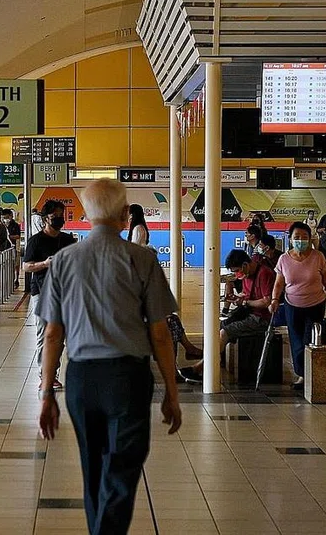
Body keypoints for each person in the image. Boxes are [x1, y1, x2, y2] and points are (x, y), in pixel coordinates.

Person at [37, 179, 181, 535]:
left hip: (81, 379)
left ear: (86, 215)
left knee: (93, 465)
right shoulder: (142, 259)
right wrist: (172, 394)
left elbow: (53, 333)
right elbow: (160, 333)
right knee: (124, 465)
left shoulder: (63, 260)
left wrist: (46, 393)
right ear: (123, 214)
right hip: (128, 378)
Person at [179, 249, 275, 383]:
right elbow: (246, 297)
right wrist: (237, 299)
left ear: (245, 265)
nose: (237, 274)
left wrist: (245, 302)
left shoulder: (265, 274)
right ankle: (214, 360)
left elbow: (266, 301)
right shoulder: (246, 276)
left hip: (261, 319)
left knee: (224, 332)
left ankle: (199, 368)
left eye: (237, 270)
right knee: (218, 327)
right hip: (249, 314)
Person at [270, 222, 326, 389]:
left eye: (304, 238)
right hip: (292, 306)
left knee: (311, 339)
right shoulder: (284, 259)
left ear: (310, 239)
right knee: (296, 341)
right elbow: (279, 284)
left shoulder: (318, 257)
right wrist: (274, 300)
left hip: (316, 304)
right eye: (296, 238)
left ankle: (313, 372)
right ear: (290, 239)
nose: (300, 240)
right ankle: (302, 375)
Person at [22, 200, 76, 390]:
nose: (59, 220)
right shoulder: (36, 241)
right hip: (42, 291)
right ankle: (44, 374)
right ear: (45, 219)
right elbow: (26, 266)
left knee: (59, 336)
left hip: (64, 292)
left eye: (61, 216)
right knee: (43, 334)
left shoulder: (68, 240)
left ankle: (53, 372)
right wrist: (45, 264)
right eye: (55, 217)